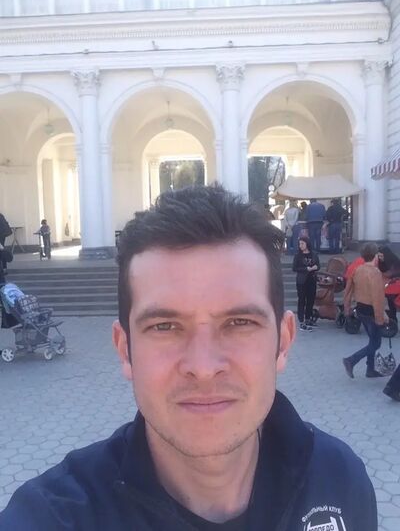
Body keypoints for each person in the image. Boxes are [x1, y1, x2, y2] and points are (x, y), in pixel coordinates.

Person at [0, 186, 377, 531]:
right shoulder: (51, 516)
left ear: (283, 342)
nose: (203, 367)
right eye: (164, 326)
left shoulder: (339, 480)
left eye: (239, 322)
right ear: (125, 349)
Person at [343, 243, 387, 379]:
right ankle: (351, 360)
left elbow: (348, 291)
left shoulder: (358, 270)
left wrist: (347, 307)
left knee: (372, 340)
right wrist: (381, 317)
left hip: (360, 310)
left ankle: (370, 369)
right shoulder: (375, 273)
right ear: (375, 255)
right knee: (376, 343)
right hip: (371, 312)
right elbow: (377, 298)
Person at [292, 236, 320, 331]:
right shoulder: (298, 256)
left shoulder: (314, 254)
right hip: (301, 281)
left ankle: (308, 319)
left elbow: (318, 265)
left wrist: (315, 267)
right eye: (299, 244)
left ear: (307, 244)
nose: (300, 245)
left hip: (311, 280)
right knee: (302, 300)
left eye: (302, 243)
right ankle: (301, 321)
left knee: (310, 300)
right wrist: (305, 269)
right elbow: (294, 268)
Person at [377, 245, 400, 322]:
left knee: (393, 304)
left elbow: (390, 273)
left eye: (381, 255)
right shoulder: (382, 262)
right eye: (379, 256)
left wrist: (379, 273)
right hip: (389, 287)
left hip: (395, 287)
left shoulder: (394, 261)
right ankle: (393, 319)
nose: (380, 257)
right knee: (391, 304)